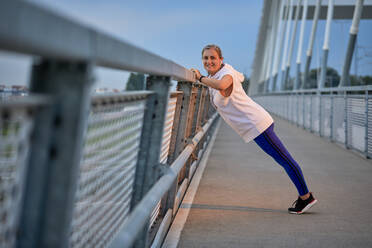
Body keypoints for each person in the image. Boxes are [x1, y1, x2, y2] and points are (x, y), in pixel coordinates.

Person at [190, 44, 317, 214]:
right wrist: (209, 77)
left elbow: (222, 85)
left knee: (284, 160)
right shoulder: (221, 72)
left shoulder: (225, 74)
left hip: (258, 124)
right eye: (205, 58)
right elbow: (238, 78)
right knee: (282, 159)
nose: (209, 61)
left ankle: (306, 197)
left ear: (221, 59)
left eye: (213, 57)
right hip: (255, 125)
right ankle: (305, 196)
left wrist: (200, 79)